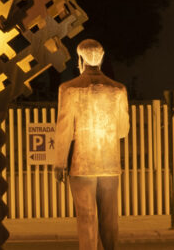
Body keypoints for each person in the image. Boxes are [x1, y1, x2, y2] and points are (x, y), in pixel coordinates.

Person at [47, 38, 128, 250]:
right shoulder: (118, 90)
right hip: (109, 164)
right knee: (109, 219)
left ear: (80, 59)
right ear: (101, 58)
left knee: (87, 217)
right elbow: (123, 130)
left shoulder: (69, 89)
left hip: (82, 164)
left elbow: (64, 130)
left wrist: (59, 163)